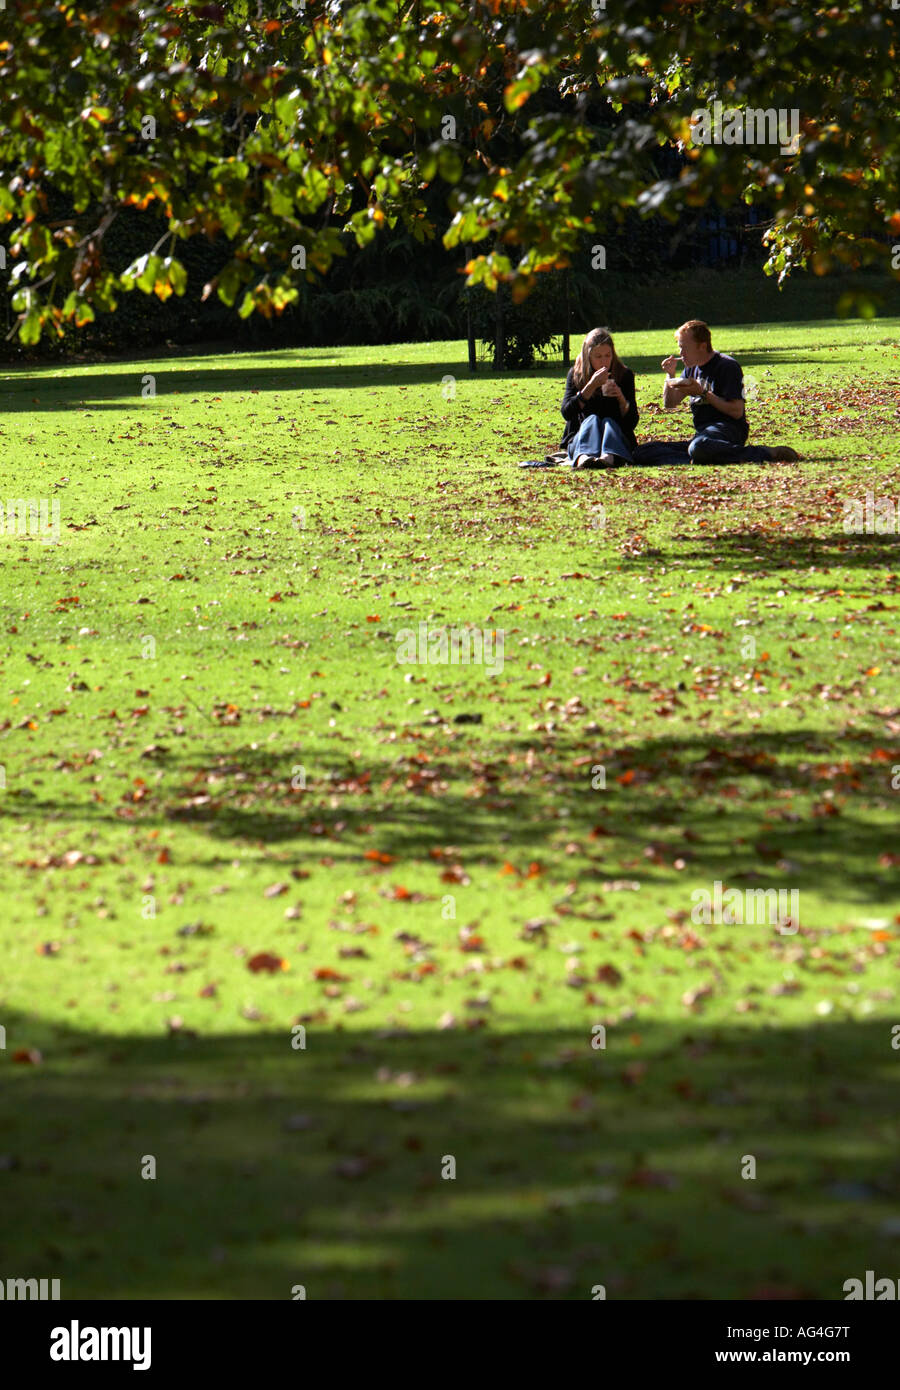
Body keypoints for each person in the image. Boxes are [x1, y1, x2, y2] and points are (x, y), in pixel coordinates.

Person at [632, 320, 801, 466]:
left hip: (728, 429)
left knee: (699, 447)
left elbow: (736, 412)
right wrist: (670, 375)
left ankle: (765, 453)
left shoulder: (726, 366)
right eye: (680, 349)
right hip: (703, 435)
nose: (681, 354)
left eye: (685, 348)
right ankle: (700, 458)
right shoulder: (690, 369)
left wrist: (704, 393)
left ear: (702, 346)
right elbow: (669, 404)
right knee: (643, 452)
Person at [559, 327, 639, 468]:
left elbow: (632, 422)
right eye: (598, 356)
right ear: (588, 356)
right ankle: (584, 456)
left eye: (608, 356)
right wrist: (590, 387)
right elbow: (567, 413)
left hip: (616, 437)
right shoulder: (576, 375)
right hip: (582, 437)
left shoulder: (624, 375)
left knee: (609, 421)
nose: (604, 362)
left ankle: (609, 456)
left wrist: (621, 398)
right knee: (592, 420)